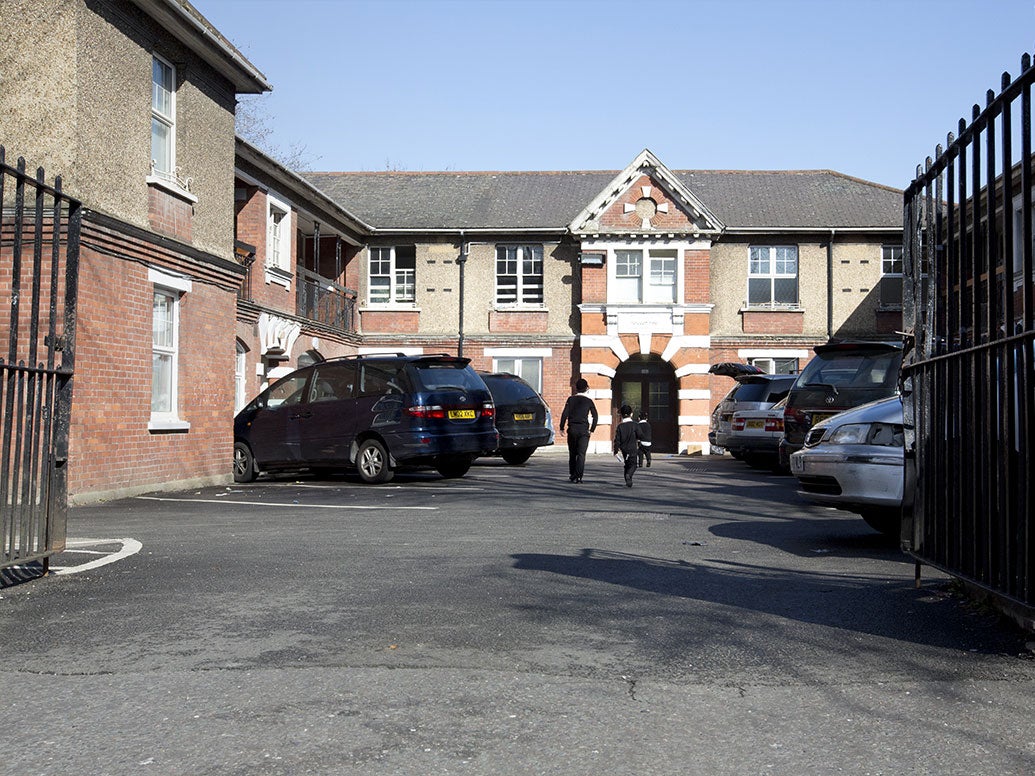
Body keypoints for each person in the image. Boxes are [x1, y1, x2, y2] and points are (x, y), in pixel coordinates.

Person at [559, 378, 598, 483]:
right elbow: (595, 416)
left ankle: (572, 474)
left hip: (572, 429)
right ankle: (579, 476)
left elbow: (564, 414)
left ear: (576, 388)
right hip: (584, 430)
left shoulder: (570, 400)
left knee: (572, 453)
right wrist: (592, 429)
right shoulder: (589, 401)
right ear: (586, 388)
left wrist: (561, 427)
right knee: (581, 454)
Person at [613, 403, 644, 488]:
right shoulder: (635, 425)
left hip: (624, 449)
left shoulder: (620, 426)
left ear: (621, 415)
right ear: (631, 414)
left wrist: (616, 449)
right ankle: (628, 475)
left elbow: (617, 440)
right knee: (633, 464)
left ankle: (627, 480)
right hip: (632, 448)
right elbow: (640, 435)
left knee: (626, 464)